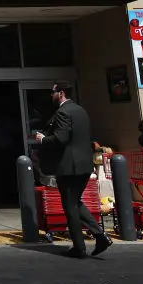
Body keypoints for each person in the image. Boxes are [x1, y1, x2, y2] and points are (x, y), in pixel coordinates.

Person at [34, 80, 112, 258]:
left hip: (69, 166)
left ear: (61, 93)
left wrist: (42, 139)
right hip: (84, 165)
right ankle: (100, 236)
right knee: (75, 202)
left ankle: (79, 247)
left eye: (53, 92)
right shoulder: (80, 110)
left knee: (70, 206)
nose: (51, 95)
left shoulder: (63, 112)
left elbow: (61, 138)